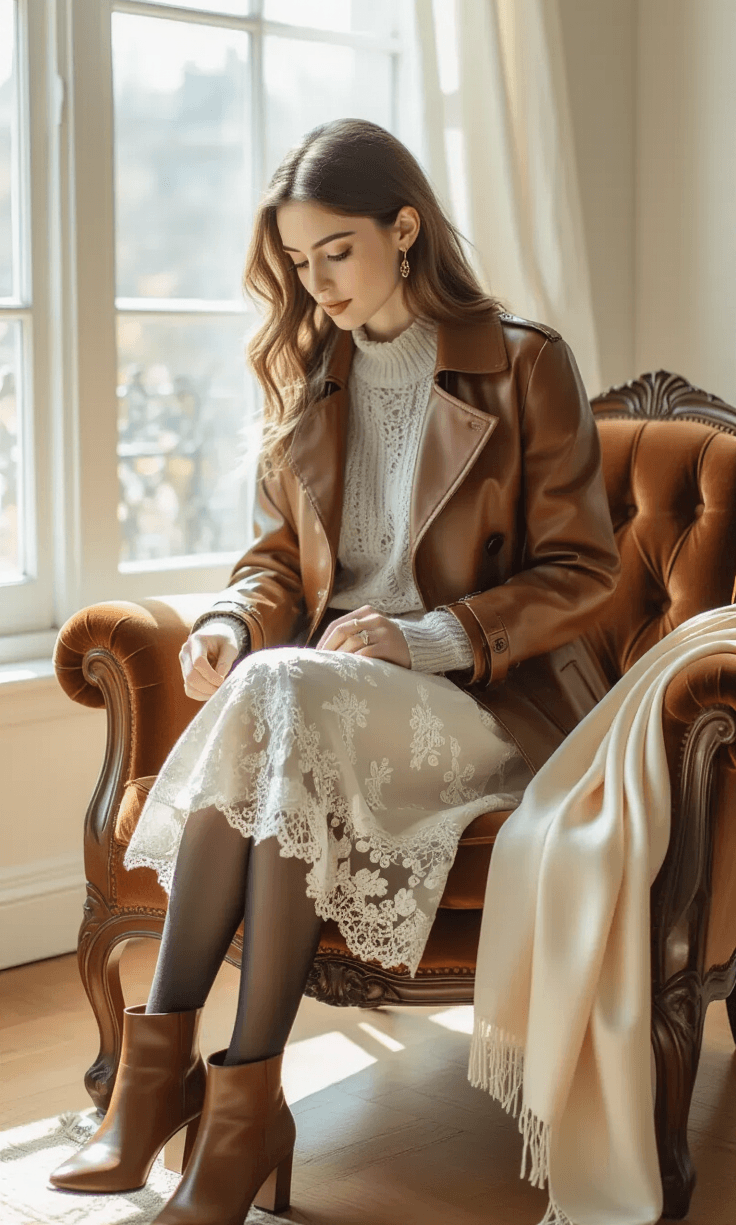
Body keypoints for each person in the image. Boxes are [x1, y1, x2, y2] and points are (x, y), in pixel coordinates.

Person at [49, 117, 620, 1223]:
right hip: (322, 703)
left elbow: (583, 570)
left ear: (403, 228)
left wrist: (430, 635)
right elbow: (276, 561)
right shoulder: (317, 373)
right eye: (301, 268)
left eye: (337, 255)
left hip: (481, 702)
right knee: (276, 687)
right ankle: (217, 1099)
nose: (318, 290)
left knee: (282, 693)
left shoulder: (524, 365)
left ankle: (180, 1096)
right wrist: (226, 621)